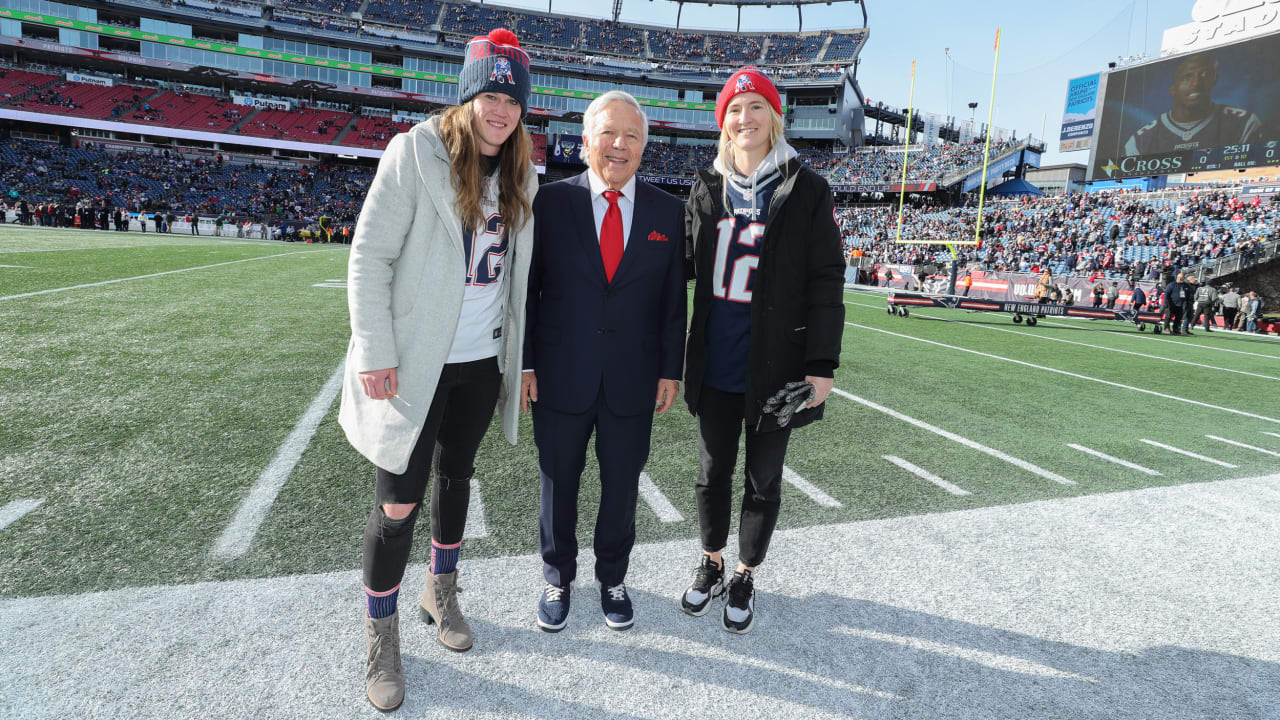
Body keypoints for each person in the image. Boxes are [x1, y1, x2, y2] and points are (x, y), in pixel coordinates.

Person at [338, 27, 537, 712]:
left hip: (479, 362)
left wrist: (519, 358)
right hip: (415, 364)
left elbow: (514, 277)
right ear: (469, 92)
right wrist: (375, 350)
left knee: (457, 480)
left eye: (512, 99)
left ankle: (441, 590)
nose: (500, 109)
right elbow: (368, 258)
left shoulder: (520, 170)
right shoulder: (414, 151)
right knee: (397, 504)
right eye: (490, 92)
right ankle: (380, 634)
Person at [681, 67, 845, 634]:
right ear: (722, 124)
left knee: (763, 478)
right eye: (733, 109)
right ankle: (711, 560)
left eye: (755, 108)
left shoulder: (807, 188)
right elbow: (675, 269)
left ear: (774, 117)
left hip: (778, 366)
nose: (744, 119)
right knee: (710, 473)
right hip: (716, 360)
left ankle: (746, 570)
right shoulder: (705, 188)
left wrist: (821, 365)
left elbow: (826, 280)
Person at [520, 90, 685, 634]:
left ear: (644, 147)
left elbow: (671, 303)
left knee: (621, 487)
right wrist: (524, 365)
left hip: (633, 380)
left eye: (632, 136)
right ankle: (556, 576)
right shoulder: (549, 202)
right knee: (557, 482)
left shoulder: (668, 210)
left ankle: (613, 576)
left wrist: (670, 368)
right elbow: (528, 290)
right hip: (561, 374)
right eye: (609, 133)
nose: (620, 145)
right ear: (586, 139)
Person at [1123, 53, 1263, 157]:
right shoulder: (1139, 140)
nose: (1196, 83)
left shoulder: (1243, 122)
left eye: (1204, 74)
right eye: (1187, 77)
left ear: (1214, 81)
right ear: (1173, 88)